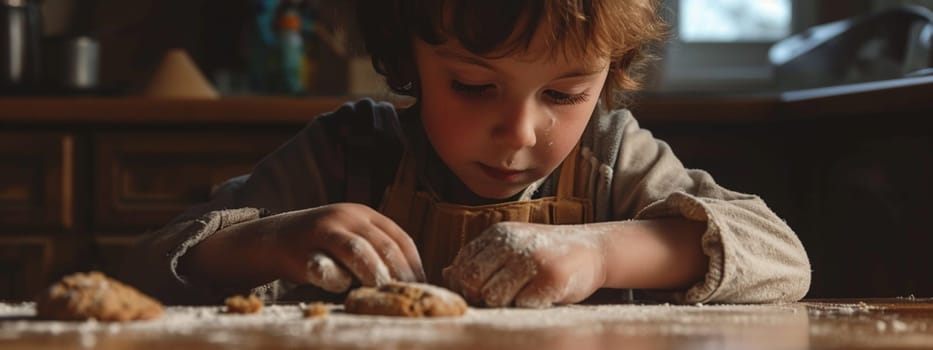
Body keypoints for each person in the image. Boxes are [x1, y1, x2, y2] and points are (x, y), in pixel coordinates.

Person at [121, 0, 811, 307]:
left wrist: (601, 252)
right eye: (474, 86)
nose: (518, 132)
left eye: (565, 93)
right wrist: (272, 240)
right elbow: (144, 272)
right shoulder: (349, 152)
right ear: (407, 60)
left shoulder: (609, 158)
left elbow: (781, 260)